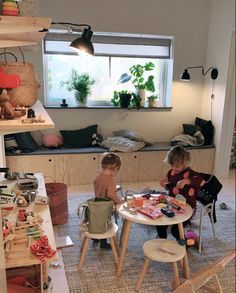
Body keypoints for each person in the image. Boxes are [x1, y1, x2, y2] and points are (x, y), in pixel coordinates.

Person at [157, 145, 205, 240]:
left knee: (175, 231)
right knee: (160, 223)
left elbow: (202, 181)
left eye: (177, 166)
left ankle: (185, 244)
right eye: (171, 165)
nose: (173, 168)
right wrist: (164, 183)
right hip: (172, 205)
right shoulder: (171, 172)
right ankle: (162, 241)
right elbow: (169, 186)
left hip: (187, 208)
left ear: (185, 163)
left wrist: (187, 181)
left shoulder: (191, 174)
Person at [93, 152, 122, 249]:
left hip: (96, 202)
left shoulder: (98, 176)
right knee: (105, 223)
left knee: (97, 220)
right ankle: (103, 243)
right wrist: (119, 201)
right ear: (115, 168)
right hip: (105, 205)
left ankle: (95, 237)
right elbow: (111, 194)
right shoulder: (111, 180)